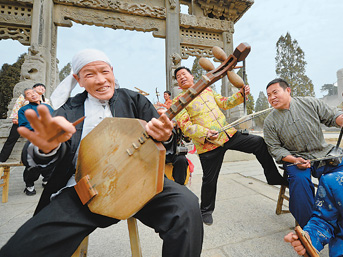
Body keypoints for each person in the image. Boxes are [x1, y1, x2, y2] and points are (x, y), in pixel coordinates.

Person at [0, 49, 203, 257]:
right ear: (78, 80)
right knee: (23, 248)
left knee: (185, 207)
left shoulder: (135, 100)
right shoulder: (69, 110)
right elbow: (39, 152)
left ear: (112, 72)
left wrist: (165, 137)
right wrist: (46, 146)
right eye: (89, 75)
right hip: (84, 190)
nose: (100, 80)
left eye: (105, 72)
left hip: (139, 182)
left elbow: (166, 148)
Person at [173, 67, 286, 226]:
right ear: (178, 83)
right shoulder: (179, 101)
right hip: (207, 145)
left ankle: (272, 176)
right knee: (209, 180)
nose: (182, 77)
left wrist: (241, 94)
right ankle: (206, 211)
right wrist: (205, 133)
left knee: (258, 143)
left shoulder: (207, 90)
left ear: (192, 76)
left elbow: (225, 103)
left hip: (228, 134)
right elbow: (186, 126)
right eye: (178, 77)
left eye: (184, 74)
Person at [263, 78, 343, 228]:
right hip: (296, 159)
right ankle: (309, 230)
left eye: (275, 92)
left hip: (323, 153)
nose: (271, 98)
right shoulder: (270, 122)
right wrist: (294, 160)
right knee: (299, 183)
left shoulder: (310, 103)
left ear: (288, 90)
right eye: (268, 95)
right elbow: (275, 148)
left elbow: (332, 115)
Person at [0, 83, 51, 163]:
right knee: (11, 139)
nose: (42, 88)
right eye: (39, 87)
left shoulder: (46, 101)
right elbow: (17, 106)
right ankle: (2, 158)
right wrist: (15, 117)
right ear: (34, 88)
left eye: (43, 88)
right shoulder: (25, 96)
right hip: (21, 120)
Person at [18, 88, 54, 195]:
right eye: (29, 94)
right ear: (25, 98)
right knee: (31, 162)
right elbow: (24, 125)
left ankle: (47, 179)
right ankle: (29, 184)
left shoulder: (47, 107)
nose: (33, 95)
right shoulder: (24, 110)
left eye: (34, 92)